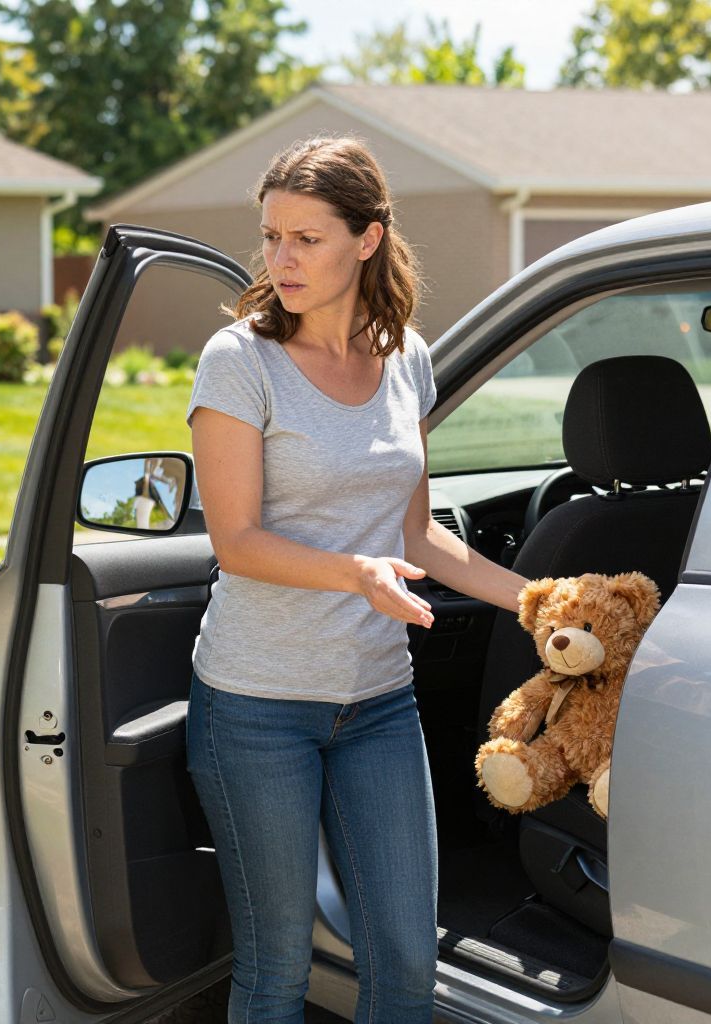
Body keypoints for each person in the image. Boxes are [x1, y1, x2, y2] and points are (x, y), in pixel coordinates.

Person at [184, 135, 528, 1024]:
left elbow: (418, 534)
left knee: (409, 968)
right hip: (256, 706)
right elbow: (238, 541)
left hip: (378, 702)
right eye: (271, 237)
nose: (281, 260)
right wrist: (356, 574)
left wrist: (534, 599)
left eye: (308, 238)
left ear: (368, 239)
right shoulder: (240, 361)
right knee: (275, 974)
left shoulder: (406, 357)